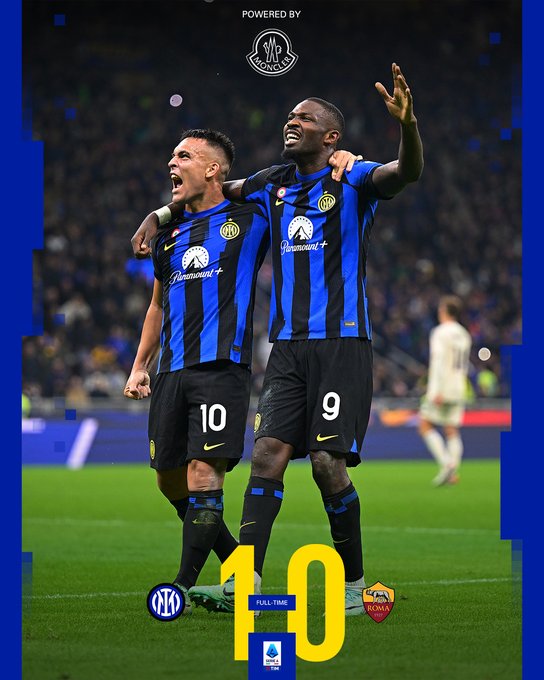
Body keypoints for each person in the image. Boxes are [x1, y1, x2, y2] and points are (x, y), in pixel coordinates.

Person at [132, 63, 424, 617]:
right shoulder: (271, 184)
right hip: (286, 347)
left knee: (326, 463)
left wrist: (408, 127)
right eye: (290, 116)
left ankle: (355, 585)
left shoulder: (353, 177)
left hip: (341, 340)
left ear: (331, 137)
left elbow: (405, 172)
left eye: (305, 118)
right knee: (266, 455)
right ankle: (244, 582)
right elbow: (211, 189)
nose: (292, 121)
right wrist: (158, 213)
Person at [124, 128, 270, 613]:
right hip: (171, 370)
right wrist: (140, 366)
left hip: (220, 368)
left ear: (213, 169)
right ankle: (240, 571)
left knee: (204, 474)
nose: (172, 162)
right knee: (169, 480)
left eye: (184, 156)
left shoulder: (251, 218)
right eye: (172, 155)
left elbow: (292, 184)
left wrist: (342, 158)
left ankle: (180, 588)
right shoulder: (166, 237)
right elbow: (157, 306)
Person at [418, 295, 472, 486]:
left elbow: (439, 361)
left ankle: (447, 464)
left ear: (444, 311)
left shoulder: (440, 332)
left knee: (425, 425)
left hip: (442, 388)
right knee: (451, 429)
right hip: (458, 387)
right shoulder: (464, 334)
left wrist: (437, 390)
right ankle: (453, 472)